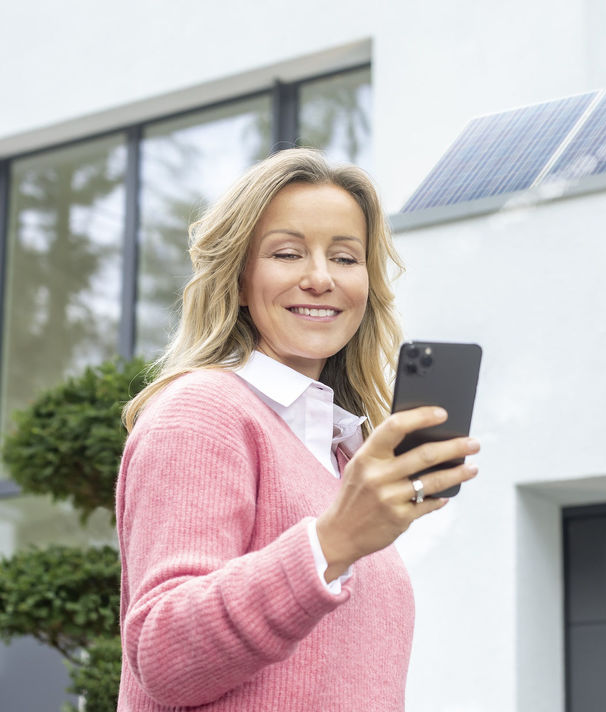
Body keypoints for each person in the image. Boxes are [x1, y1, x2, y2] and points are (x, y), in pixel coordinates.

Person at [116, 148, 480, 711]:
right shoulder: (202, 411)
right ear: (238, 280)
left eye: (345, 257)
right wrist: (331, 542)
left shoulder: (339, 454)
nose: (319, 278)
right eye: (287, 253)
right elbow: (164, 654)